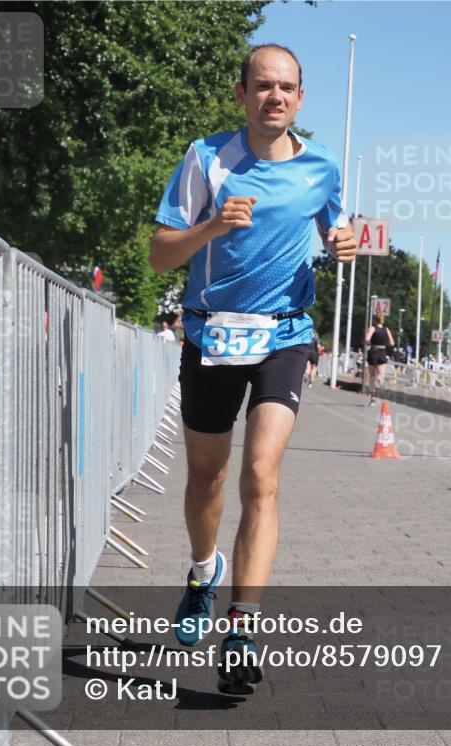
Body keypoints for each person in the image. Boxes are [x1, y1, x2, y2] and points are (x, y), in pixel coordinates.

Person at [148, 43, 356, 694]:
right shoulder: (205, 158)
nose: (275, 97)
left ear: (300, 98)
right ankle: (201, 569)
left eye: (287, 88)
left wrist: (342, 245)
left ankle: (242, 628)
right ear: (241, 94)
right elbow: (159, 255)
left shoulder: (321, 167)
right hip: (211, 335)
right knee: (207, 479)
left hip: (284, 336)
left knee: (260, 476)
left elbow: (333, 233)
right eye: (263, 86)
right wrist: (210, 227)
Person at [363, 312, 394, 406]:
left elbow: (367, 339)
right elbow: (392, 343)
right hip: (382, 351)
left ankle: (373, 399)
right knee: (381, 375)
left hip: (373, 351)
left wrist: (370, 342)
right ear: (383, 319)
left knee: (372, 376)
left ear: (375, 319)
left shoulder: (372, 328)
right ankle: (379, 380)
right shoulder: (386, 329)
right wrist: (385, 343)